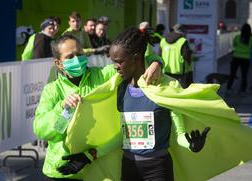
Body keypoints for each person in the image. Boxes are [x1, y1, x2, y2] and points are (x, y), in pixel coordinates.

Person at [33, 32, 163, 180]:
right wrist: (63, 108)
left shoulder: (102, 76)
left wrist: (156, 62)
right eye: (70, 57)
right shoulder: (52, 90)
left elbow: (135, 58)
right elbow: (42, 130)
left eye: (79, 54)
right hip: (62, 170)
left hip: (95, 170)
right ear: (58, 63)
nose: (77, 59)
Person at [109, 27, 210, 181]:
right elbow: (123, 135)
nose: (115, 67)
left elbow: (179, 133)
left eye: (119, 62)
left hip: (157, 169)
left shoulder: (166, 88)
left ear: (136, 58)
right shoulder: (121, 89)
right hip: (128, 166)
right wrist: (93, 153)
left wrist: (191, 144)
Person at [160, 23, 193, 88]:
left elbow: (159, 55)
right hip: (180, 73)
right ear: (183, 32)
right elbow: (186, 56)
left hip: (166, 71)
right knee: (180, 92)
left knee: (168, 90)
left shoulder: (163, 40)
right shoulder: (183, 41)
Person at [226, 23, 252, 93]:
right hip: (246, 59)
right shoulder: (251, 39)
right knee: (244, 75)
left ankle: (228, 87)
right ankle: (243, 90)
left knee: (232, 74)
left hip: (236, 58)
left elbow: (234, 45)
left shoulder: (237, 37)